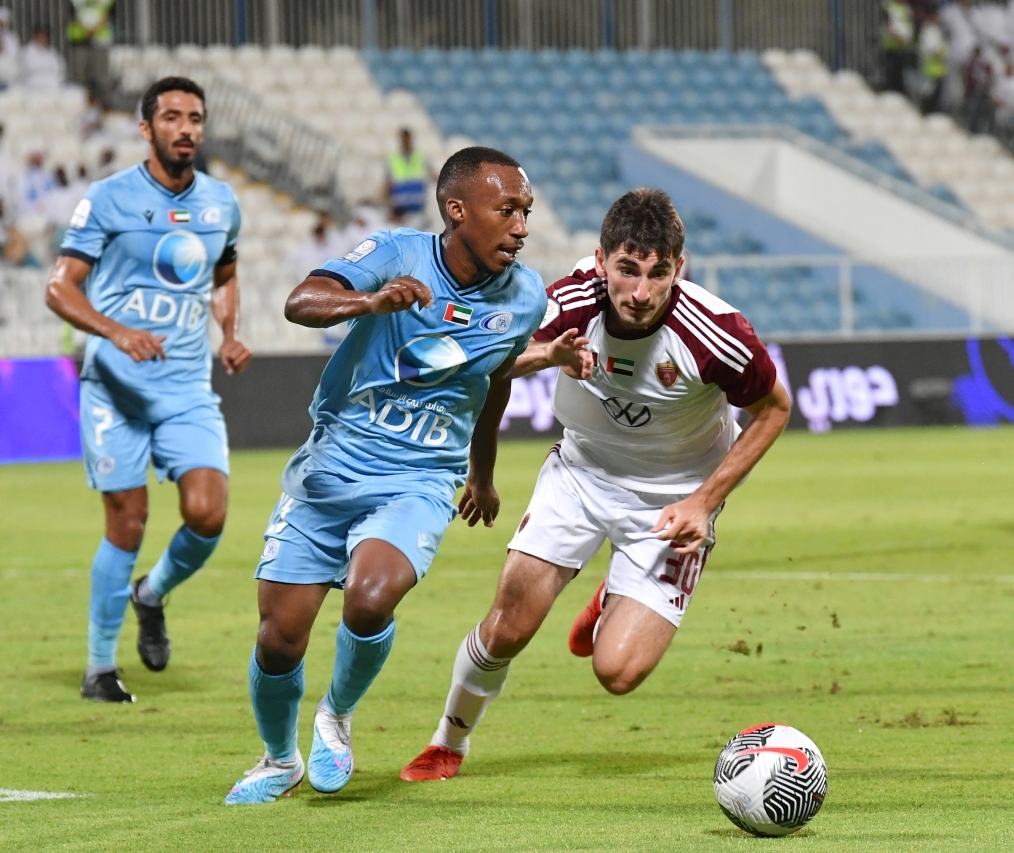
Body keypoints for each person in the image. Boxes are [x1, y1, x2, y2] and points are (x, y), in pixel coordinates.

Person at [400, 188, 791, 783]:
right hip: (581, 474)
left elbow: (774, 409)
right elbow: (489, 366)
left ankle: (614, 594)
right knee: (509, 625)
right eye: (627, 270)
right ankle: (447, 743)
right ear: (601, 260)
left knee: (618, 672)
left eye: (658, 274)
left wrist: (703, 503)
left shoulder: (717, 332)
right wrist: (487, 462)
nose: (640, 292)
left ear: (679, 268)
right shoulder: (569, 301)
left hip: (673, 500)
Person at [223, 146, 547, 805]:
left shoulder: (525, 297)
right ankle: (279, 759)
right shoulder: (397, 253)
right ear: (457, 210)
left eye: (526, 213)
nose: (520, 227)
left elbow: (495, 384)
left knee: (370, 596)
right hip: (330, 469)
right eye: (507, 210)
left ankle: (336, 714)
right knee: (278, 638)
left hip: (419, 477)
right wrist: (369, 302)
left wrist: (482, 474)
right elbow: (300, 301)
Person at [43, 77, 251, 703]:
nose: (185, 129)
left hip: (186, 387)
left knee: (208, 512)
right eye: (171, 117)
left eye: (195, 118)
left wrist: (230, 333)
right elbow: (59, 287)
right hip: (116, 388)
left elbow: (225, 275)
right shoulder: (109, 198)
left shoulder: (221, 203)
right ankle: (99, 669)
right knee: (127, 521)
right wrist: (116, 331)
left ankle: (152, 593)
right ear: (146, 128)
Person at [67, 0, 114, 106]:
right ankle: (81, 103)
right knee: (79, 75)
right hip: (79, 40)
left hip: (100, 41)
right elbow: (72, 13)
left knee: (101, 77)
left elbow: (109, 13)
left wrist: (94, 29)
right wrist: (86, 30)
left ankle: (102, 105)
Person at [387, 128, 429, 220]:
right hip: (400, 206)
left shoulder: (420, 157)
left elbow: (434, 175)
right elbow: (387, 184)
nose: (406, 142)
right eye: (403, 140)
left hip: (417, 204)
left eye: (407, 139)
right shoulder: (393, 159)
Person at [19, 27, 65, 92]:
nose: (43, 39)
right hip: (33, 82)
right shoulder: (27, 51)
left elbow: (59, 67)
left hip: (51, 82)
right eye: (40, 37)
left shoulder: (51, 52)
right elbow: (28, 68)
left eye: (44, 37)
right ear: (35, 37)